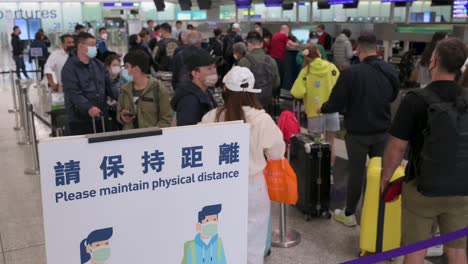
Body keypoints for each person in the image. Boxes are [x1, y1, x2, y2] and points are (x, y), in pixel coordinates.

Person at [381, 38, 468, 264]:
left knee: (416, 250)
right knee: (458, 251)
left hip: (422, 189)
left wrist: (386, 178)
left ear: (433, 62)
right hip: (462, 190)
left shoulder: (415, 100)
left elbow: (397, 147)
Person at [200, 66, 285, 264]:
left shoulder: (211, 118)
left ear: (225, 91)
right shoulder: (262, 120)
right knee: (254, 244)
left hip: (219, 186)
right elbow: (277, 152)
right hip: (253, 186)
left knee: (222, 238)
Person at [318, 33, 399, 226]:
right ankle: (379, 213)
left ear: (358, 50)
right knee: (380, 171)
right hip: (382, 131)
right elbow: (393, 95)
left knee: (357, 173)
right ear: (377, 49)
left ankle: (350, 214)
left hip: (357, 134)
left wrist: (324, 108)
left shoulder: (351, 73)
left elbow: (336, 102)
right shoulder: (390, 70)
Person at [291, 44, 340, 182]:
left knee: (317, 144)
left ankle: (317, 172)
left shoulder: (306, 71)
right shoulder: (331, 67)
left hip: (314, 112)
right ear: (318, 53)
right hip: (332, 110)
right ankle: (329, 173)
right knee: (331, 143)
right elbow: (340, 85)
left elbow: (297, 92)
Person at [62, 32, 117, 135]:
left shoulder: (99, 65)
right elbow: (74, 93)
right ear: (80, 46)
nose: (94, 48)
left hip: (101, 116)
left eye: (95, 45)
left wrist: (124, 98)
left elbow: (110, 86)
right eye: (91, 45)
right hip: (79, 120)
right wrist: (88, 107)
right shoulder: (69, 69)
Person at [117, 51, 172, 130]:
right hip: (130, 138)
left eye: (126, 67)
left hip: (152, 139)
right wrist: (122, 117)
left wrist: (153, 134)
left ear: (136, 69)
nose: (124, 70)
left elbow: (166, 118)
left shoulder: (159, 89)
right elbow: (119, 113)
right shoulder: (124, 90)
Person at [171, 48, 219, 126]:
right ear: (195, 74)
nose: (214, 71)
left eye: (214, 67)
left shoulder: (205, 91)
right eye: (209, 68)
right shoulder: (189, 100)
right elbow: (187, 131)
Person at [238, 31, 280, 113]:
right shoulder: (271, 60)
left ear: (248, 44)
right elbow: (277, 83)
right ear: (261, 44)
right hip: (267, 100)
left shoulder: (243, 61)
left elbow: (239, 84)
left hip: (249, 102)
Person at [268, 25, 300, 92]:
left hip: (272, 58)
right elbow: (292, 44)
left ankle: (273, 94)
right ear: (286, 30)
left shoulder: (275, 35)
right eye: (288, 30)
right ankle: (277, 93)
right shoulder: (283, 35)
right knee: (280, 75)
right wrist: (300, 45)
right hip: (279, 59)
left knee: (273, 76)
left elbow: (286, 45)